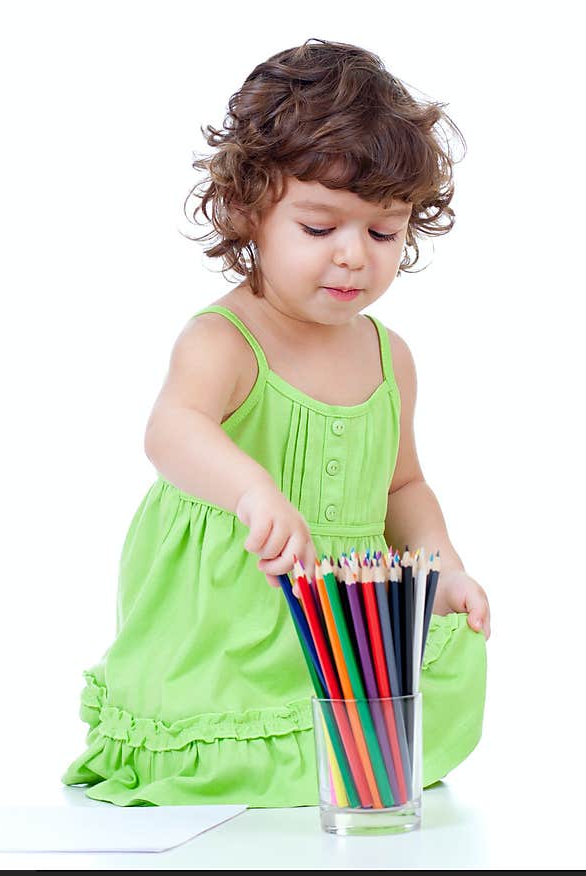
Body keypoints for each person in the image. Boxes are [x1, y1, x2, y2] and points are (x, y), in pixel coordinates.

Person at [61, 38, 490, 807]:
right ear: (247, 211)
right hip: (234, 609)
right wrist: (251, 489)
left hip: (344, 619)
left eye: (383, 232)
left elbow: (405, 484)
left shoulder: (390, 359)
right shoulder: (224, 339)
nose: (355, 256)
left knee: (436, 683)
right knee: (222, 727)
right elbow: (171, 430)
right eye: (320, 229)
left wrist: (444, 563)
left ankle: (346, 759)